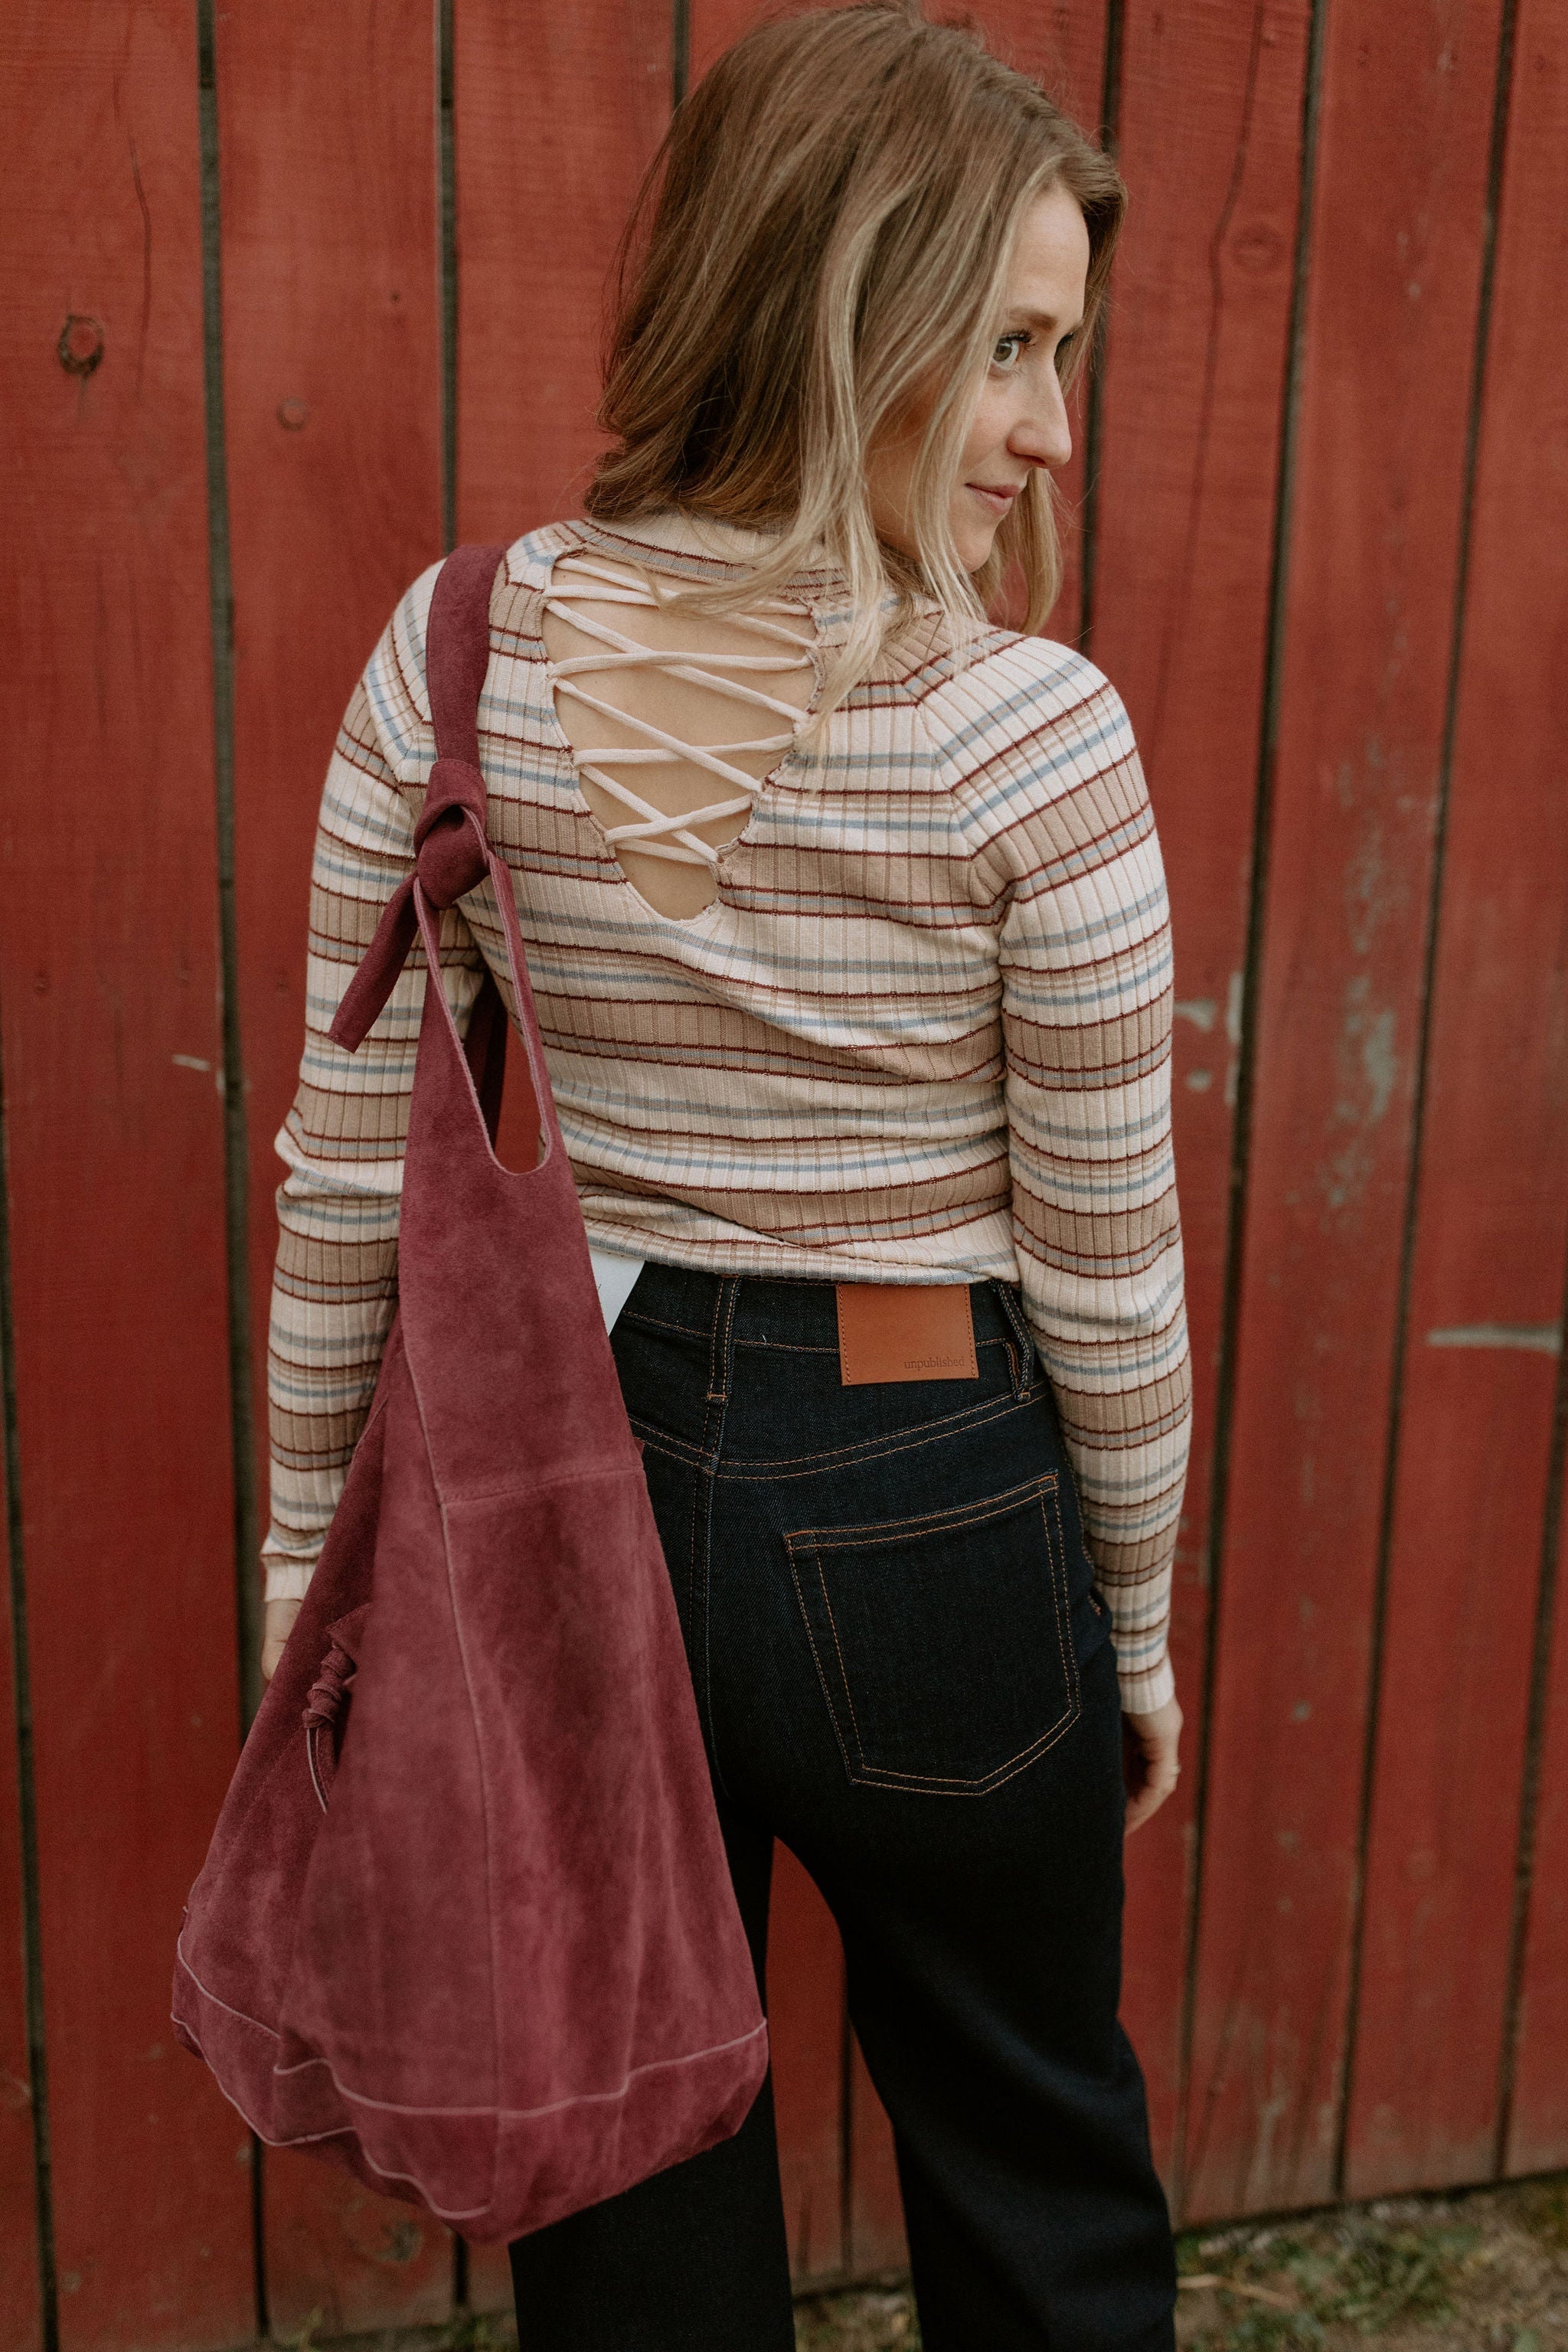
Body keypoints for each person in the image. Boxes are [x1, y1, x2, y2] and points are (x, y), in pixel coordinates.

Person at [259, 5, 1191, 2344]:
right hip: (934, 1490)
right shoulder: (1029, 734)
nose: (1051, 429)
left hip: (560, 1500)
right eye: (1008, 347)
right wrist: (1135, 1620)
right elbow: (1106, 1267)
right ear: (833, 305)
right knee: (1035, 2160)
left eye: (1062, 355)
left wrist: (302, 1569)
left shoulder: (457, 653)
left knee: (625, 2170)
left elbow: (344, 1174)